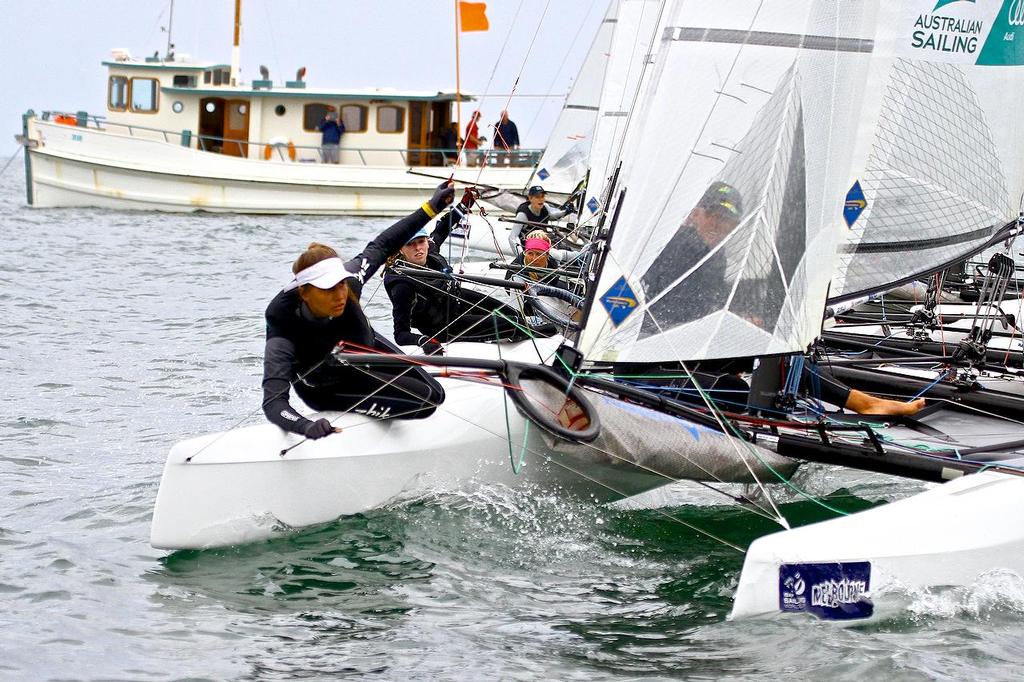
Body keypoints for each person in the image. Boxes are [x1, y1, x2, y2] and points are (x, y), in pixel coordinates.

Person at [261, 182, 455, 440]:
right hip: (327, 386)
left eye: (341, 284)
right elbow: (274, 402)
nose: (341, 294)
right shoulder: (283, 323)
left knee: (436, 393)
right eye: (328, 289)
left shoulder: (352, 278)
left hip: (364, 347)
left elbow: (383, 243)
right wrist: (305, 425)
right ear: (305, 293)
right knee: (426, 402)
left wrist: (431, 208)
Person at [384, 191, 534, 354]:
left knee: (513, 314)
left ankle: (530, 334)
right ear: (401, 248)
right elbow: (400, 335)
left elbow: (443, 227)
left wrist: (464, 205)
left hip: (457, 301)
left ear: (427, 242)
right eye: (410, 244)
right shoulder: (401, 285)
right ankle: (533, 337)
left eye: (421, 242)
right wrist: (422, 341)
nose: (418, 248)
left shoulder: (431, 249)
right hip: (443, 326)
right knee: (510, 323)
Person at [508, 185, 575, 255]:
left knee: (566, 248)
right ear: (530, 198)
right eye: (537, 197)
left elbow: (552, 216)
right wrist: (520, 256)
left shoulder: (545, 207)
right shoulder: (523, 214)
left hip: (543, 241)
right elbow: (512, 237)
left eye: (542, 196)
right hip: (531, 247)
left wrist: (565, 212)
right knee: (558, 254)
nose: (541, 199)